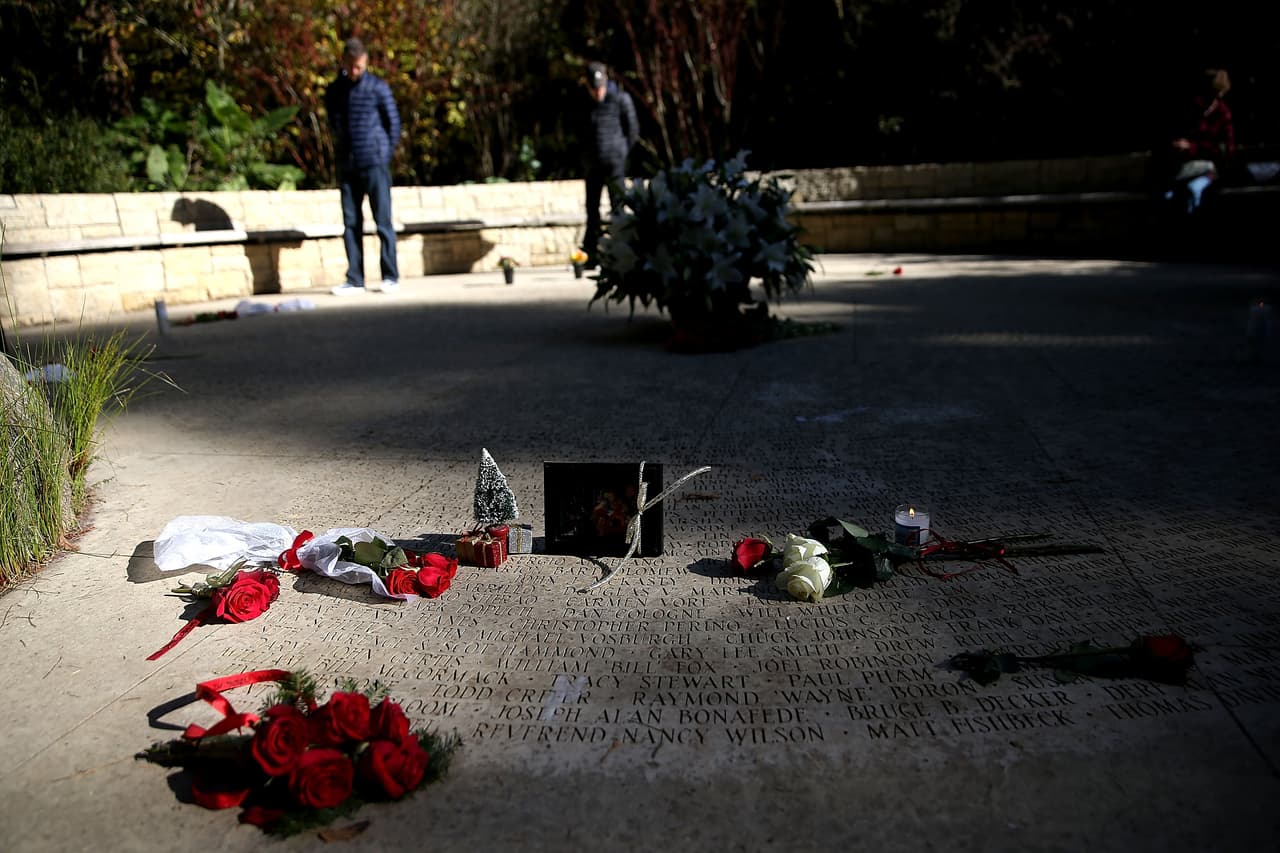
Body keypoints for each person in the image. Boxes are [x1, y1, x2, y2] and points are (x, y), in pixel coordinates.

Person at [325, 37, 402, 295]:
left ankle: (390, 276)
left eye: (359, 66)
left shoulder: (378, 88)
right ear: (344, 62)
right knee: (351, 223)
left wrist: (384, 153)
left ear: (365, 61)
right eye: (351, 66)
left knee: (383, 222)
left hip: (375, 163)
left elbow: (393, 123)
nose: (355, 71)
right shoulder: (335, 90)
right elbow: (333, 122)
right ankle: (355, 279)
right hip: (348, 166)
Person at [580, 61, 639, 268]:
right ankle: (591, 254)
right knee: (592, 210)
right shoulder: (582, 103)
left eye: (601, 87)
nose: (598, 93)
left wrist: (621, 153)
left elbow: (632, 131)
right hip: (592, 165)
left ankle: (621, 254)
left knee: (619, 209)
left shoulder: (621, 99)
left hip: (615, 163)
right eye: (594, 89)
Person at [1162, 67, 1235, 216]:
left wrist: (1192, 147)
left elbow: (1225, 149)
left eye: (1213, 94)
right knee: (1171, 192)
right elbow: (1172, 138)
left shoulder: (1222, 113)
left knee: (1197, 185)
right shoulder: (1190, 110)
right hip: (1183, 166)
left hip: (1210, 168)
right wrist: (1178, 146)